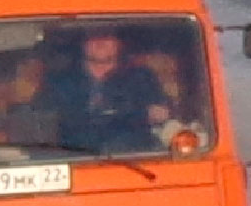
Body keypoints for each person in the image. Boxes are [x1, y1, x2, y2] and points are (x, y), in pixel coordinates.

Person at [28, 22, 190, 157]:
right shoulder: (59, 81)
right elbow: (41, 120)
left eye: (107, 35)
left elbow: (162, 114)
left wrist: (155, 114)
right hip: (74, 157)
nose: (101, 41)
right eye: (93, 35)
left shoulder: (141, 77)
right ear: (82, 43)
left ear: (119, 42)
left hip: (131, 159)